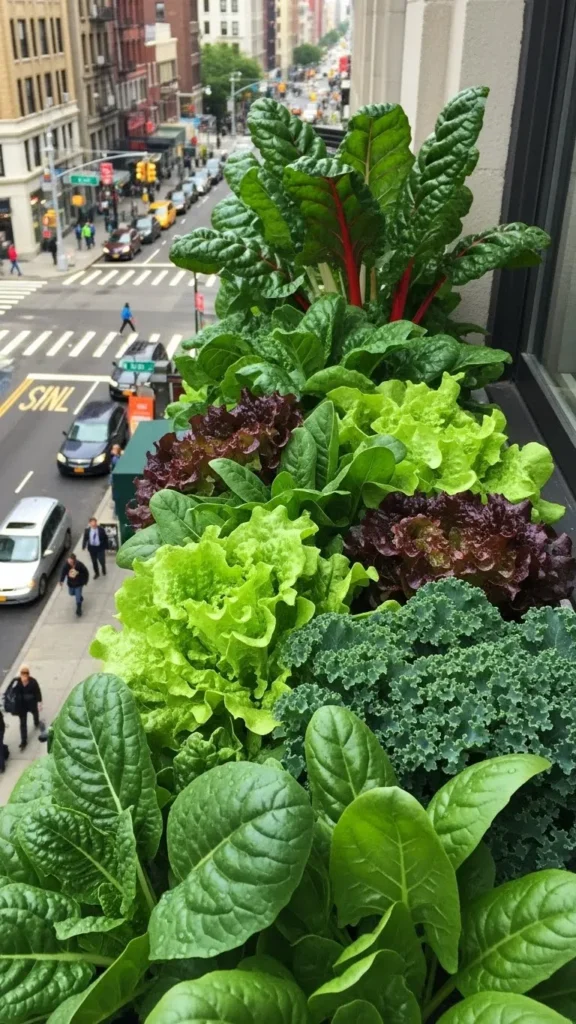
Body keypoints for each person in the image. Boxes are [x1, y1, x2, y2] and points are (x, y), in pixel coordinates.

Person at [10, 665, 42, 751]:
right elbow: (13, 692)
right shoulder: (17, 682)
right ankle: (23, 741)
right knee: (23, 724)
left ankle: (36, 722)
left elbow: (37, 692)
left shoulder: (33, 682)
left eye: (26, 674)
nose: (24, 676)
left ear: (28, 674)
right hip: (22, 706)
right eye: (22, 674)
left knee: (35, 713)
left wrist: (39, 702)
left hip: (31, 703)